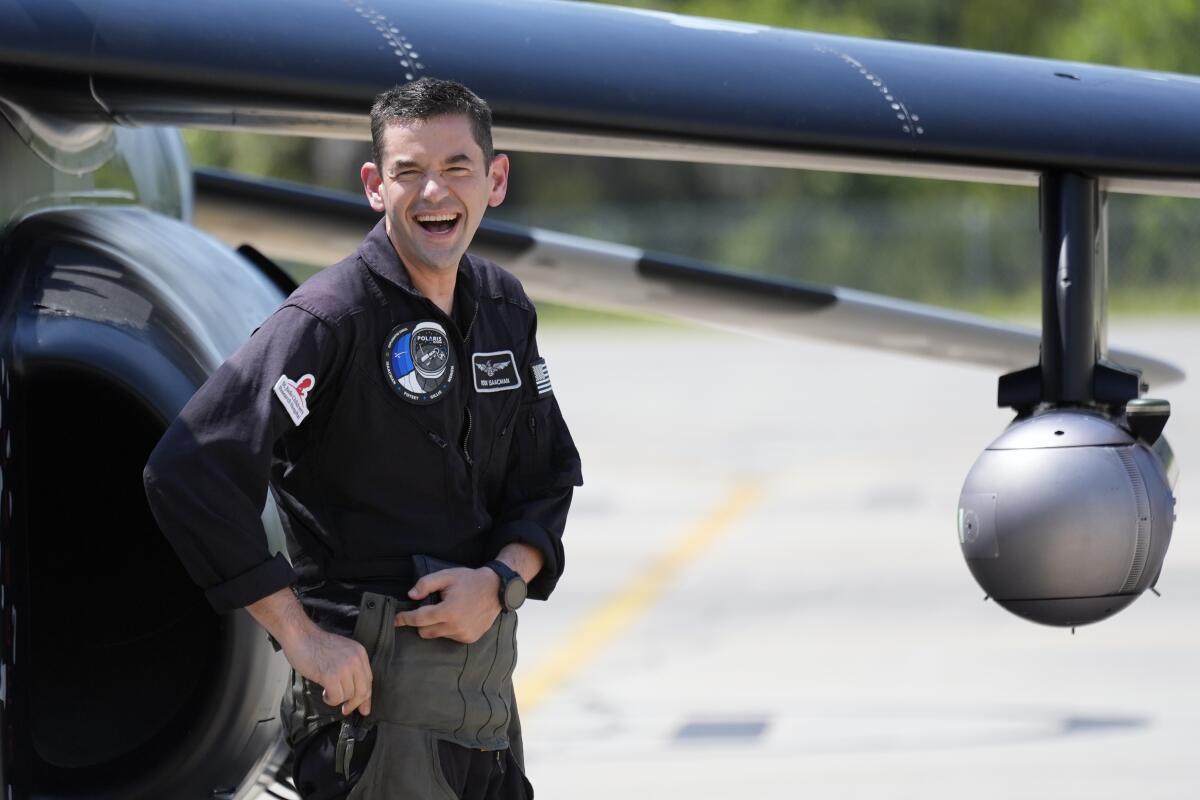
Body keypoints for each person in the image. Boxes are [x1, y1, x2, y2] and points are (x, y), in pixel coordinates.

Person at [142, 78, 582, 799]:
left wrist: (500, 580)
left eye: (456, 168)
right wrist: (300, 635)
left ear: (495, 180)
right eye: (409, 172)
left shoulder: (503, 307)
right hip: (372, 721)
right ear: (376, 186)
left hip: (485, 711)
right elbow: (190, 469)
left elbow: (547, 476)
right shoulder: (330, 319)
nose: (434, 192)